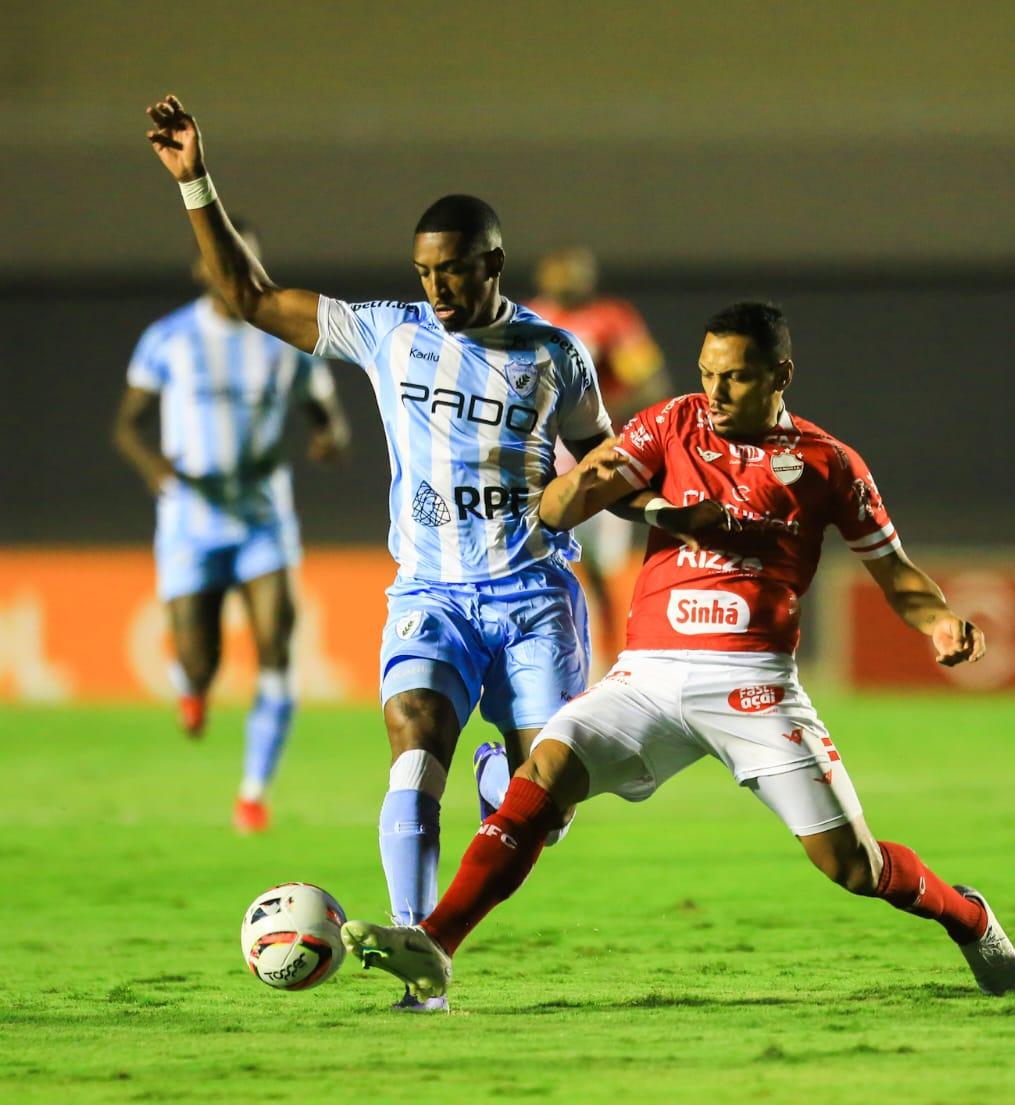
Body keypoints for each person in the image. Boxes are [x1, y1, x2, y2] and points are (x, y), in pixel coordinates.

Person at [340, 302, 1015, 1002]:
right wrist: (602, 483)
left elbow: (895, 570)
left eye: (735, 378)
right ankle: (436, 946)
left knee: (852, 864)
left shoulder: (828, 463)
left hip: (753, 686)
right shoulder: (671, 423)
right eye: (706, 374)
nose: (716, 393)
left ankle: (966, 915)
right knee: (543, 769)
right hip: (648, 678)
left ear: (781, 374)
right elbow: (560, 505)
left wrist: (938, 621)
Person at [143, 94, 614, 1011]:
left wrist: (635, 500)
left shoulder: (554, 354)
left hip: (532, 595)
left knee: (543, 811)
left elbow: (606, 456)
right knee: (412, 750)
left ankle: (502, 790)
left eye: (452, 274)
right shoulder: (388, 330)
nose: (435, 290)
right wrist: (195, 179)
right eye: (423, 273)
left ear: (493, 267)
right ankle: (420, 957)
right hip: (431, 594)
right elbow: (247, 295)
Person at [110, 220, 348, 833]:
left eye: (247, 261)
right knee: (199, 659)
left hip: (264, 520)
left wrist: (329, 439)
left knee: (276, 647)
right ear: (202, 268)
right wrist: (154, 465)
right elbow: (126, 426)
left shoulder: (282, 340)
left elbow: (329, 418)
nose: (237, 271)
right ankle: (190, 686)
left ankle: (252, 792)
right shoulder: (168, 339)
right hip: (190, 522)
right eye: (226, 260)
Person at [521, 246, 670, 665]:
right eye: (560, 270)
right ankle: (550, 658)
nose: (568, 279)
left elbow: (650, 382)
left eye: (576, 271)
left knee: (601, 571)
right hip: (538, 464)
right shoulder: (527, 318)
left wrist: (590, 411)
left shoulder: (611, 320)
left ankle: (614, 660)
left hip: (597, 458)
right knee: (537, 565)